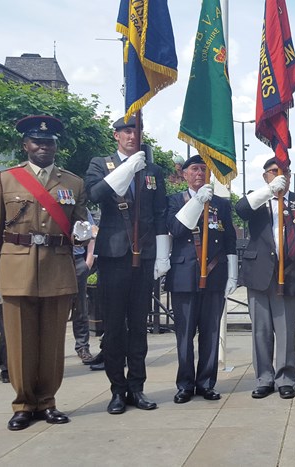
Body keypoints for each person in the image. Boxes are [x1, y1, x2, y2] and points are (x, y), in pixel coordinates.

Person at [0, 115, 92, 430]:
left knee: (52, 343)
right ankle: (23, 403)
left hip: (57, 269)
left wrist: (84, 231)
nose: (43, 146)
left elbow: (80, 226)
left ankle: (48, 401)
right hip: (15, 269)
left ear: (56, 146)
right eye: (37, 141)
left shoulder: (73, 182)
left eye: (49, 142)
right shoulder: (6, 179)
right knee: (19, 342)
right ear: (25, 145)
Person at [85, 115, 169, 414]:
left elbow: (160, 213)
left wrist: (162, 254)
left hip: (143, 255)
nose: (132, 136)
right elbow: (95, 195)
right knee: (114, 326)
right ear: (116, 135)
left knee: (138, 326)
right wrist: (126, 169)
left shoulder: (152, 170)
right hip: (114, 254)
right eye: (126, 131)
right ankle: (117, 390)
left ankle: (137, 387)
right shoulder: (100, 163)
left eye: (137, 131)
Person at [237, 158, 295, 400]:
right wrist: (268, 191)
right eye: (273, 171)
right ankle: (264, 378)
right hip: (260, 272)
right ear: (265, 176)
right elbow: (240, 209)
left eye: (284, 171)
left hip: (291, 272)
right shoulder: (257, 199)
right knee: (261, 331)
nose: (279, 175)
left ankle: (285, 378)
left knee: (285, 331)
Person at [165, 156, 238, 403]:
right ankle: (185, 384)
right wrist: (197, 201)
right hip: (184, 275)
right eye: (194, 169)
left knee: (210, 333)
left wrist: (232, 273)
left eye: (204, 169)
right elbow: (176, 230)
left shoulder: (221, 203)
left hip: (215, 275)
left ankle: (206, 382)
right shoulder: (175, 200)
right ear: (185, 174)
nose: (199, 173)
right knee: (184, 335)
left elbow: (229, 239)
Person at [71, 209, 96, 365]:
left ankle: (82, 346)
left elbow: (91, 231)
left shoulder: (79, 206)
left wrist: (89, 260)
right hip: (55, 260)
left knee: (80, 307)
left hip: (77, 259)